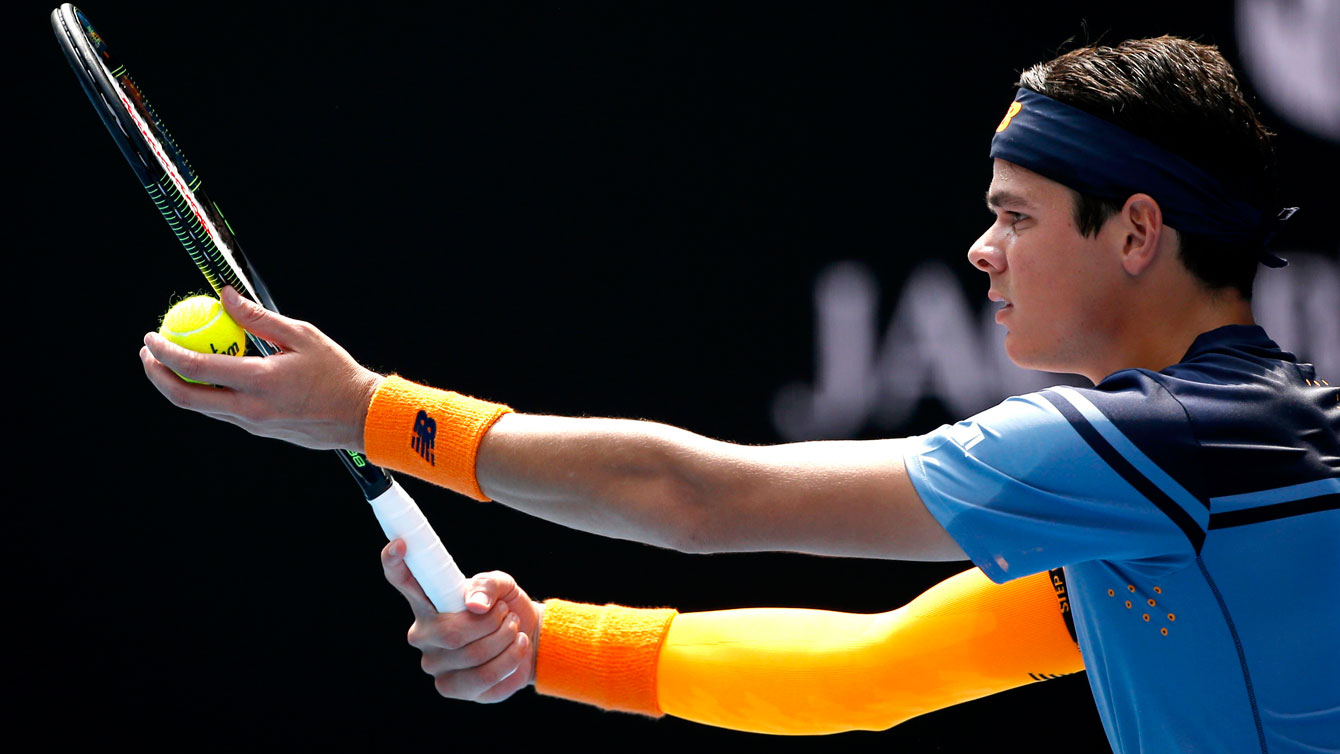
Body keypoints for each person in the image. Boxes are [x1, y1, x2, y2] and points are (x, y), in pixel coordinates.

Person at [140, 36, 1338, 753]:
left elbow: (695, 497)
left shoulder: (1168, 446)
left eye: (1013, 216)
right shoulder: (1190, 490)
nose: (981, 250)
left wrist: (369, 413)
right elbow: (868, 672)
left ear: (1135, 231)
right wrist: (549, 644)